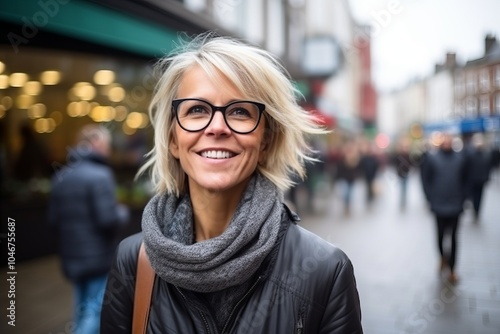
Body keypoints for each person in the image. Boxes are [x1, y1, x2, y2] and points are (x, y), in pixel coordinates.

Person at [100, 33, 363, 333]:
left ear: (265, 140)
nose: (217, 127)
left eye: (239, 111)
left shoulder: (325, 271)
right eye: (197, 109)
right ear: (173, 139)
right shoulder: (133, 263)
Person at [49, 124, 129, 334]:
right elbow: (108, 220)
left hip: (72, 258)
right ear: (97, 144)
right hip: (98, 259)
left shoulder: (61, 176)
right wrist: (122, 212)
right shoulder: (100, 175)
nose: (109, 150)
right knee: (94, 315)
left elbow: (53, 220)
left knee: (81, 309)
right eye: (107, 145)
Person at [421, 133, 467, 284]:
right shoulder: (432, 158)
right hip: (439, 204)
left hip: (455, 205)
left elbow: (466, 178)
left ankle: (452, 269)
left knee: (453, 237)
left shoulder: (460, 158)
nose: (447, 143)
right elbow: (425, 178)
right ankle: (442, 258)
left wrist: (463, 197)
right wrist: (430, 197)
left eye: (449, 140)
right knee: (440, 236)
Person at [465, 134, 493, 223]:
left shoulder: (486, 154)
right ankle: (474, 208)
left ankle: (477, 211)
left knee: (479, 196)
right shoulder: (470, 153)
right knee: (473, 196)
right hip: (472, 179)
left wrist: (487, 177)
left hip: (481, 179)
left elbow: (488, 167)